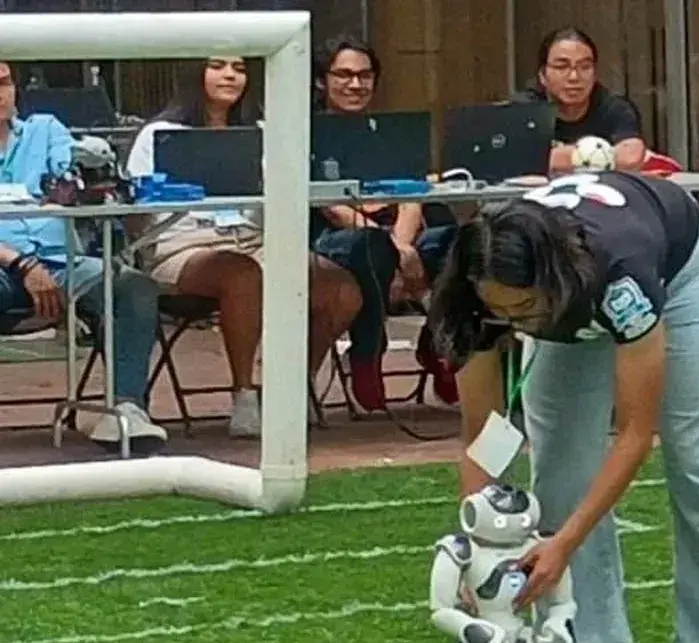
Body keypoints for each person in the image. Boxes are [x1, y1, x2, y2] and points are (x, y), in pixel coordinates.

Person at [424, 169, 699, 643]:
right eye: (502, 312)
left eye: (523, 310)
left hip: (678, 269)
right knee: (560, 472)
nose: (514, 324)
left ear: (549, 280)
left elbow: (637, 434)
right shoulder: (477, 295)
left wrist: (563, 546)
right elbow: (484, 433)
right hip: (570, 299)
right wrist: (477, 548)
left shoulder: (622, 277)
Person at [125, 56, 364, 437]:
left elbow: (286, 194)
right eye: (218, 66)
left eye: (238, 67)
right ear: (195, 73)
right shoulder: (159, 133)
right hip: (182, 247)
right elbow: (135, 206)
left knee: (341, 288)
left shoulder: (263, 131)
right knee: (241, 274)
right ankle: (244, 395)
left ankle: (290, 387)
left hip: (255, 240)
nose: (230, 75)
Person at [0, 60, 165, 450]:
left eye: (3, 82)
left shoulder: (46, 130)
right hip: (6, 266)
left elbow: (72, 178)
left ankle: (126, 412)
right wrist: (21, 264)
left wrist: (83, 179)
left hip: (64, 263)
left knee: (133, 286)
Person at [311, 35, 460, 409]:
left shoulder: (390, 131)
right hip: (337, 239)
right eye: (344, 75)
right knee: (369, 246)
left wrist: (404, 247)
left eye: (365, 75)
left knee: (460, 241)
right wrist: (394, 251)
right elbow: (332, 207)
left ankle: (441, 344)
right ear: (321, 81)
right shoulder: (307, 131)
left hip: (394, 236)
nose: (355, 84)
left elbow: (413, 193)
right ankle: (367, 353)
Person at [515, 28, 663, 177]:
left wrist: (561, 157)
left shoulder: (615, 108)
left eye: (585, 67)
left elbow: (630, 159)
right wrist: (598, 155)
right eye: (561, 67)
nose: (574, 77)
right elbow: (517, 160)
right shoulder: (522, 109)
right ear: (542, 75)